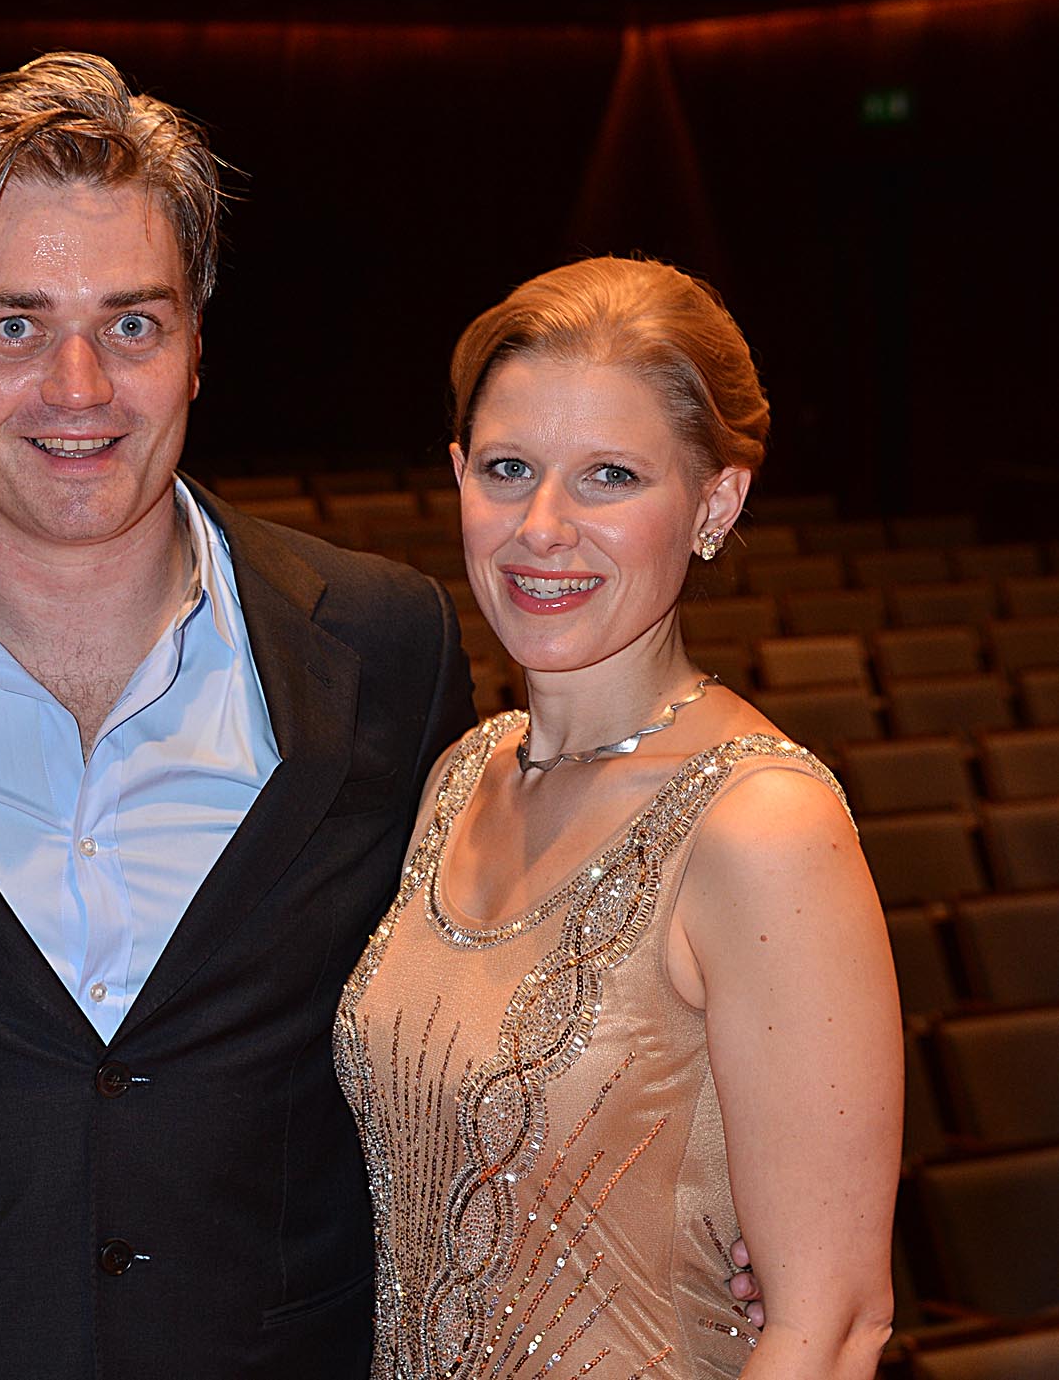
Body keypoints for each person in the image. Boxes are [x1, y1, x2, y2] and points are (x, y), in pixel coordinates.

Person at [0, 52, 477, 1378]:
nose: (80, 385)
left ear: (198, 344)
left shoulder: (388, 640)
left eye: (133, 323)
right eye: (14, 325)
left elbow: (463, 1010)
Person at [333, 257, 900, 1378]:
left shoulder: (760, 826)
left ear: (714, 500)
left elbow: (831, 1325)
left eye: (607, 477)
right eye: (506, 469)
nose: (541, 527)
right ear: (456, 477)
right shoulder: (463, 775)